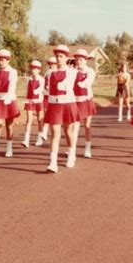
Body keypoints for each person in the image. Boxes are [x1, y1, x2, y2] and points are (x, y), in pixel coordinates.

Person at [43, 45, 80, 173]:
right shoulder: (49, 72)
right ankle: (53, 163)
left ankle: (71, 153)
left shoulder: (72, 72)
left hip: (67, 103)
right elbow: (46, 89)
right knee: (54, 132)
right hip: (54, 104)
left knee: (68, 131)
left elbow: (65, 85)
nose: (58, 59)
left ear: (66, 58)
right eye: (57, 56)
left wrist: (55, 85)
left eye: (61, 56)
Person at [73, 49, 97, 158]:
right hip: (76, 101)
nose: (78, 62)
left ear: (85, 60)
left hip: (86, 100)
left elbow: (88, 82)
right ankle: (72, 148)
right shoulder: (73, 71)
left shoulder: (90, 71)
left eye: (81, 60)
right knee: (75, 126)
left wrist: (81, 83)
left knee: (87, 125)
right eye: (77, 60)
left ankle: (87, 148)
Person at [21, 60, 45, 149]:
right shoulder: (28, 79)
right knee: (29, 120)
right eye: (33, 68)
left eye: (36, 69)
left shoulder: (41, 79)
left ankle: (40, 138)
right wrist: (25, 99)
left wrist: (36, 91)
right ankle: (26, 140)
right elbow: (26, 90)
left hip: (38, 100)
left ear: (39, 70)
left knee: (40, 119)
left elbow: (41, 89)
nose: (34, 70)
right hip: (30, 100)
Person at [40, 56, 57, 143]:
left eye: (54, 64)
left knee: (54, 116)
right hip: (47, 96)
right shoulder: (47, 72)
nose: (52, 65)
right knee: (47, 114)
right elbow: (44, 82)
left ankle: (53, 133)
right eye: (51, 64)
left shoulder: (58, 72)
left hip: (55, 97)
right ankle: (44, 132)